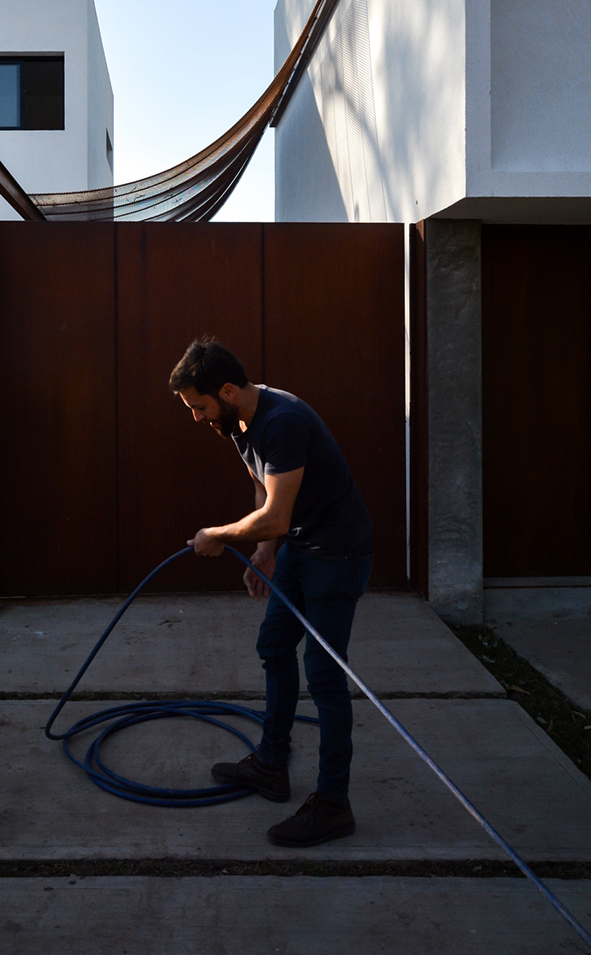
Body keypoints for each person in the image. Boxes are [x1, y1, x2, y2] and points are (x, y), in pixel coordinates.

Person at [169, 335, 373, 847]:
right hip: (300, 548)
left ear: (229, 389)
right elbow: (264, 489)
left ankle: (332, 805)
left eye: (199, 406)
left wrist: (220, 535)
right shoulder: (235, 421)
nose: (195, 417)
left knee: (324, 675)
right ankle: (271, 765)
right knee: (274, 646)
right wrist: (266, 552)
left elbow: (275, 513)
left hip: (337, 553)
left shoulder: (283, 421)